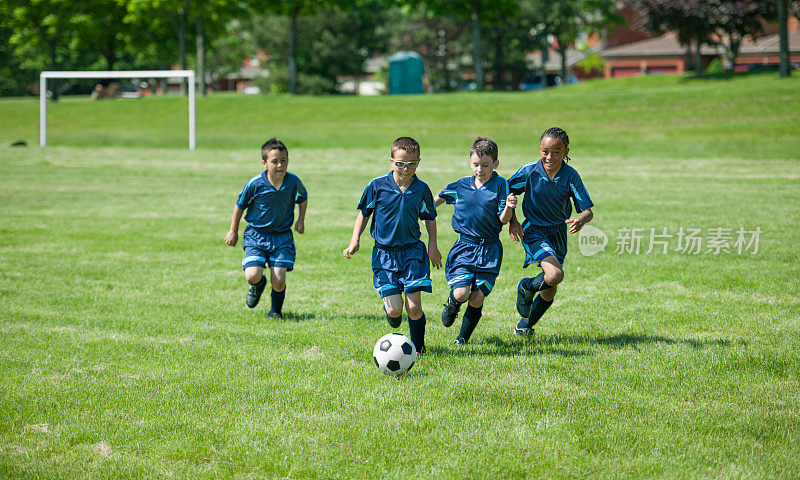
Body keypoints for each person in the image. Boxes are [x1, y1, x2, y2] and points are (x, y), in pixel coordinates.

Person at [343, 137, 442, 354]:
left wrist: (433, 245)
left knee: (414, 307)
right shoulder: (377, 186)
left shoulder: (422, 189)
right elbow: (364, 214)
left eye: (411, 164)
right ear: (391, 161)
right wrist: (355, 240)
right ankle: (392, 315)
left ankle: (418, 349)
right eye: (400, 163)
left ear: (418, 162)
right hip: (384, 255)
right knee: (396, 310)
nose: (406, 169)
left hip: (413, 252)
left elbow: (430, 218)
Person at [508, 127, 594, 335]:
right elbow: (506, 191)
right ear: (539, 149)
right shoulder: (529, 171)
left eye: (556, 152)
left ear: (565, 152)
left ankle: (525, 326)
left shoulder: (570, 176)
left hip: (558, 234)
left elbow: (587, 210)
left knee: (549, 291)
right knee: (555, 275)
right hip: (534, 230)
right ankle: (526, 287)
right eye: (545, 151)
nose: (550, 156)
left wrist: (581, 219)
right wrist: (513, 221)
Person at [435, 137, 517, 345]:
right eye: (475, 165)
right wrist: (419, 209)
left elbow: (503, 220)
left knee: (477, 297)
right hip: (465, 246)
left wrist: (509, 206)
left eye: (485, 165)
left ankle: (462, 338)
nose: (480, 169)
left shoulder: (501, 185)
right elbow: (438, 199)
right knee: (462, 293)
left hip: (489, 249)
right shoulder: (461, 185)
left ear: (495, 164)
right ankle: (453, 303)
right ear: (470, 162)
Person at [225, 138, 308, 318]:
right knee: (252, 275)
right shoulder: (255, 183)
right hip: (257, 235)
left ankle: (275, 312)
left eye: (283, 161)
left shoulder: (293, 182)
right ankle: (258, 285)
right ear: (264, 163)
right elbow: (240, 205)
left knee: (278, 280)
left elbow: (303, 197)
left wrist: (301, 220)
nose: (280, 165)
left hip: (282, 237)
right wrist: (233, 230)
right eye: (274, 161)